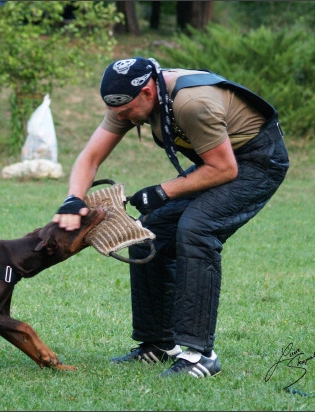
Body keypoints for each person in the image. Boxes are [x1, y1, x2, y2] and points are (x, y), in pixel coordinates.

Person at [52, 57, 289, 378]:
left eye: (125, 112)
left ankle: (200, 355)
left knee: (197, 229)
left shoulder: (193, 103)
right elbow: (90, 157)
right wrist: (72, 200)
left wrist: (162, 192)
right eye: (116, 112)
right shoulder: (128, 100)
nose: (121, 118)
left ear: (148, 92)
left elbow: (225, 169)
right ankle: (159, 344)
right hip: (223, 160)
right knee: (149, 229)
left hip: (258, 161)